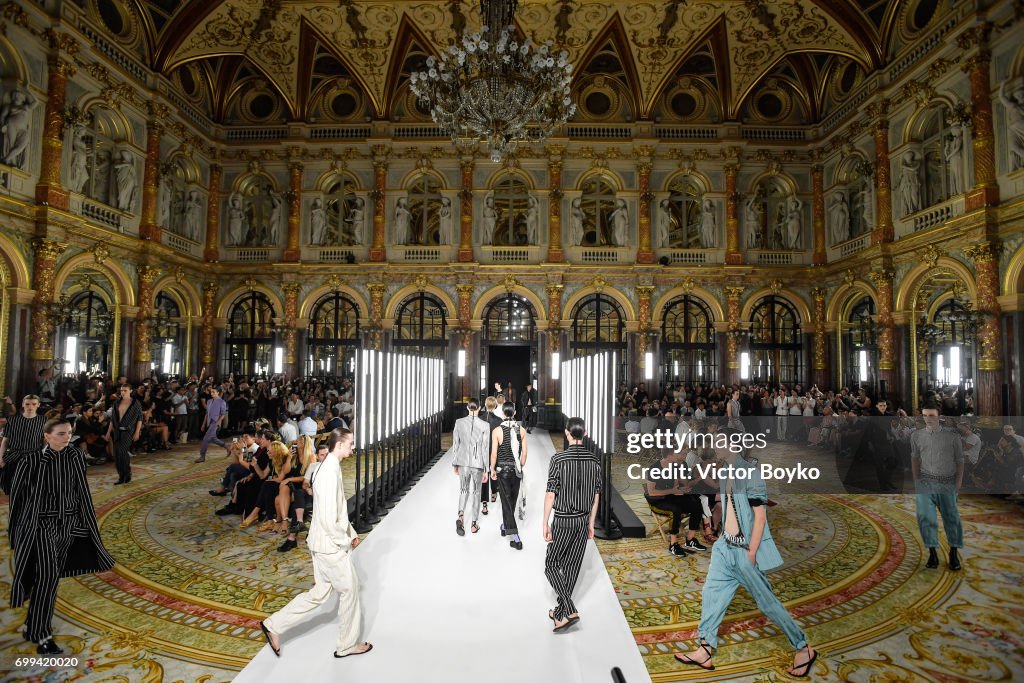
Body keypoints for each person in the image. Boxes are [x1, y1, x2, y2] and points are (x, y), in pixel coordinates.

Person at [675, 429, 817, 676]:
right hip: (724, 548)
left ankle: (803, 647)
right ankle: (705, 649)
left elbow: (760, 517)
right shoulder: (727, 469)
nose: (716, 446)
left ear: (734, 445)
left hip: (743, 550)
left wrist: (751, 551)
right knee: (711, 595)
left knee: (767, 603)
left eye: (721, 442)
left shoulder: (751, 473)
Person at [259, 428, 373, 659]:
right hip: (329, 545)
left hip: (319, 541)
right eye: (350, 443)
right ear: (339, 445)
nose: (353, 447)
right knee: (350, 591)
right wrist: (345, 540)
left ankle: (273, 625)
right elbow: (330, 516)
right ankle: (347, 645)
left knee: (319, 593)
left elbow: (334, 509)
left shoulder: (326, 467)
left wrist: (350, 532)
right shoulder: (329, 471)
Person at [7, 417, 115, 654]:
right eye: (61, 434)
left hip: (68, 525)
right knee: (46, 576)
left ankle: (33, 625)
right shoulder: (30, 460)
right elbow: (17, 500)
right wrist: (15, 535)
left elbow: (82, 491)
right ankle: (42, 634)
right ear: (46, 436)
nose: (67, 438)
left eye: (68, 433)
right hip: (40, 526)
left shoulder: (75, 456)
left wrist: (86, 525)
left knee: (50, 578)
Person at [543, 416, 601, 633]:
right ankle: (560, 613)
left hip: (563, 519)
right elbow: (596, 495)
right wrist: (591, 523)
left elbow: (551, 494)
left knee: (551, 565)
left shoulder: (558, 460)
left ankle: (569, 609)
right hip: (582, 519)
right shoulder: (595, 461)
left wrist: (545, 522)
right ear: (585, 434)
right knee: (571, 567)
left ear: (567, 433)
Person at [912, 405, 964, 571]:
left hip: (947, 483)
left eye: (932, 415)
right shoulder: (916, 436)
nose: (928, 418)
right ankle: (932, 553)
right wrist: (916, 481)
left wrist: (958, 484)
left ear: (939, 417)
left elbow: (960, 461)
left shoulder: (952, 437)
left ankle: (953, 553)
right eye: (925, 415)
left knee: (952, 518)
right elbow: (915, 458)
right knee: (925, 518)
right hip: (925, 483)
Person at [490, 402, 528, 550]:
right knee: (511, 500)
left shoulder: (497, 431)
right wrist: (520, 467)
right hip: (516, 470)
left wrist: (492, 469)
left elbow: (494, 453)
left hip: (502, 470)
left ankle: (512, 534)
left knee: (507, 502)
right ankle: (510, 530)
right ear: (515, 412)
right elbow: (524, 454)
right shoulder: (522, 430)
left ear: (503, 414)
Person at [449, 401, 490, 536]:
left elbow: (456, 444)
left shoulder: (459, 422)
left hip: (463, 462)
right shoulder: (485, 425)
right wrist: (486, 469)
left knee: (463, 489)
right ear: (479, 408)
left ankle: (460, 515)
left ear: (467, 408)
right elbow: (485, 448)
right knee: (477, 492)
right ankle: (474, 523)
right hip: (478, 463)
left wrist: (455, 463)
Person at [0, 395, 45, 494]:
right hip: (14, 456)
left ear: (38, 405)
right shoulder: (12, 420)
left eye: (33, 404)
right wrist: (1, 459)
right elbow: (5, 441)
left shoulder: (43, 421)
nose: (30, 407)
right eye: (27, 404)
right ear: (23, 404)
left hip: (34, 457)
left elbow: (46, 441)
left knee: (31, 489)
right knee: (11, 488)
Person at [107, 384, 142, 485]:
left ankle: (125, 474)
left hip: (128, 431)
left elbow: (140, 418)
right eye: (121, 390)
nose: (123, 392)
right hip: (117, 431)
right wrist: (108, 432)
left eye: (125, 390)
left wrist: (137, 432)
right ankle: (122, 475)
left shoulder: (135, 403)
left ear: (130, 391)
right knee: (117, 454)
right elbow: (112, 419)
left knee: (122, 452)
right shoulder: (116, 402)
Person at [196, 386, 229, 463]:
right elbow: (207, 414)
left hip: (215, 422)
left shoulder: (222, 402)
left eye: (214, 392)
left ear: (218, 392)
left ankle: (202, 456)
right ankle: (227, 447)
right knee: (213, 438)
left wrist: (218, 423)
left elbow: (223, 414)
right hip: (209, 422)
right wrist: (203, 424)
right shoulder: (209, 401)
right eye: (211, 392)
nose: (212, 393)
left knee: (206, 438)